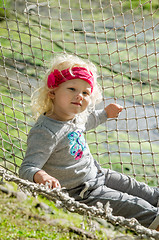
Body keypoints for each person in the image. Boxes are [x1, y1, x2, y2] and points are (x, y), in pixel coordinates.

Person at [19, 53, 159, 230]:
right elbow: (27, 168)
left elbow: (88, 121)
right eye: (72, 89)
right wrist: (42, 176)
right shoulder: (45, 131)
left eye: (85, 92)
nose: (79, 96)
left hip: (98, 173)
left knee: (141, 189)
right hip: (82, 192)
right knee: (137, 206)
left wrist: (106, 114)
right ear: (52, 92)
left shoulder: (75, 116)